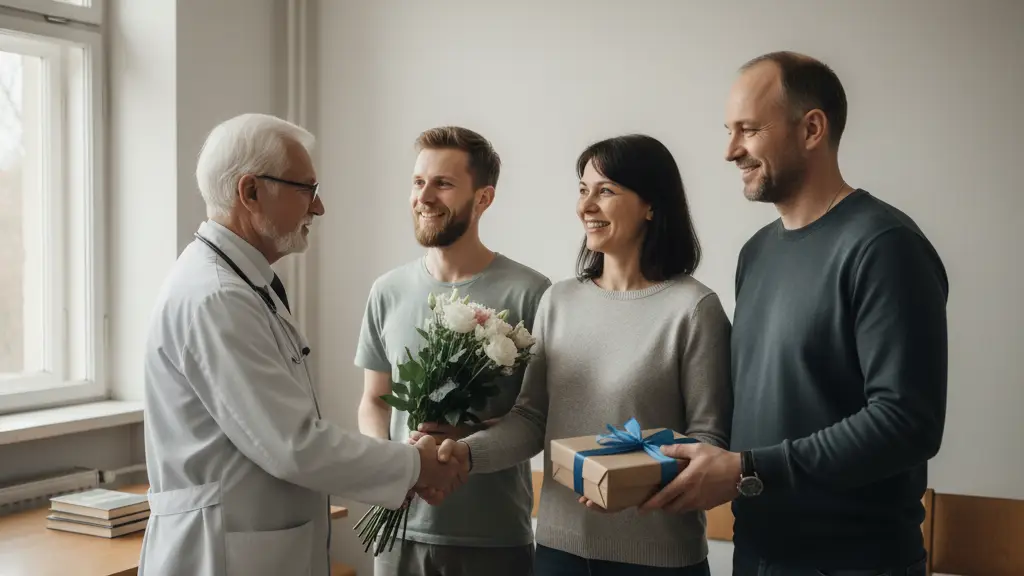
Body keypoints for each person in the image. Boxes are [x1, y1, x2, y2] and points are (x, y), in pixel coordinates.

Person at [639, 52, 948, 575]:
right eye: (728, 130)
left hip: (856, 563)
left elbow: (906, 422)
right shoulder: (756, 252)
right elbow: (771, 400)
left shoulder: (884, 246)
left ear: (812, 128)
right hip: (756, 555)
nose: (730, 150)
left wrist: (748, 469)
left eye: (749, 130)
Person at [138, 113, 466, 576]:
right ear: (250, 192)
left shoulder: (242, 285)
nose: (319, 207)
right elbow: (294, 446)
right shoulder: (216, 298)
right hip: (223, 554)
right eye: (306, 189)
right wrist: (415, 465)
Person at [442, 134, 733, 575]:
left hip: (658, 561)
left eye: (606, 191)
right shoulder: (558, 301)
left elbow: (708, 443)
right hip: (559, 554)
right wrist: (465, 454)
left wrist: (625, 485)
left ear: (651, 205)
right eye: (583, 190)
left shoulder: (693, 309)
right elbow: (531, 420)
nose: (586, 206)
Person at [355, 126, 551, 576]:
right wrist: (386, 464)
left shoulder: (532, 294)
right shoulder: (387, 290)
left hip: (493, 535)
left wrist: (459, 447)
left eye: (443, 183)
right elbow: (374, 399)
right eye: (418, 182)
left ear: (483, 199)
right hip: (397, 535)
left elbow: (535, 418)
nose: (424, 196)